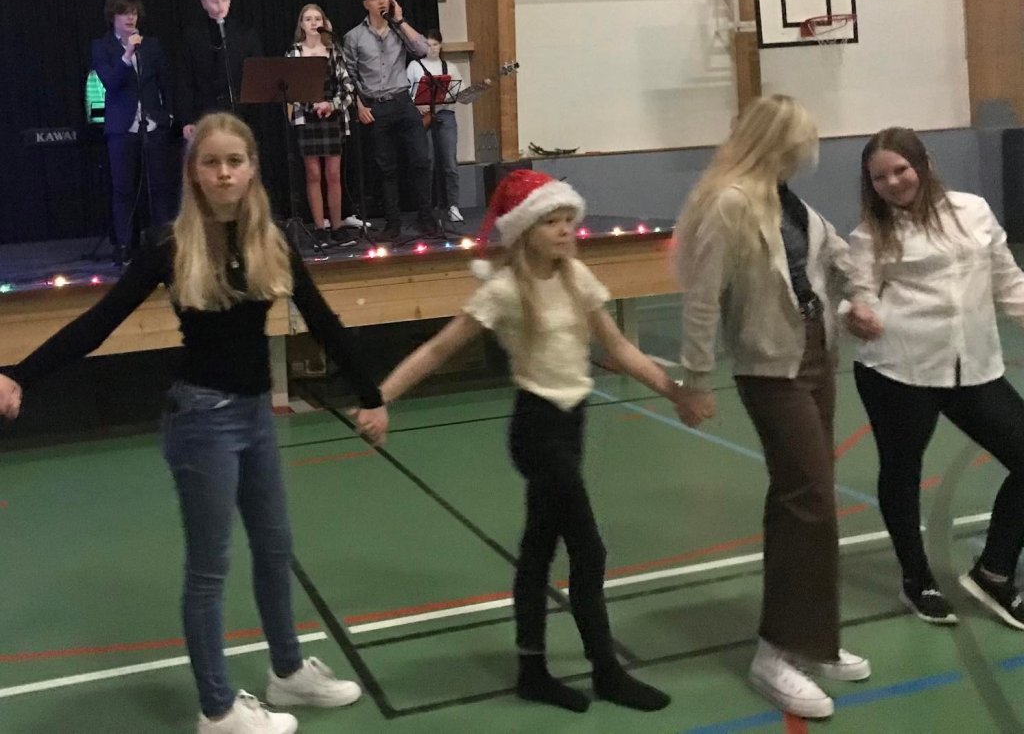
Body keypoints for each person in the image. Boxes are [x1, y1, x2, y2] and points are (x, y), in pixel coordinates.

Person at [0, 112, 388, 734]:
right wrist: (21, 374)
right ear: (195, 174)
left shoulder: (272, 241)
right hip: (202, 421)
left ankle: (288, 671)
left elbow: (321, 319)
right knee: (209, 568)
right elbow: (98, 323)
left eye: (235, 161)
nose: (224, 172)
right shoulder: (171, 245)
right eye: (212, 162)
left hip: (256, 416)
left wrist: (371, 394)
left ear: (252, 168)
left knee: (275, 547)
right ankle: (217, 708)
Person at [368, 169, 673, 714]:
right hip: (537, 429)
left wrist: (675, 391)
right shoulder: (505, 290)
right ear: (525, 230)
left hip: (573, 423)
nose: (565, 230)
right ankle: (606, 670)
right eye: (552, 222)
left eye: (568, 220)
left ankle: (532, 669)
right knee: (589, 548)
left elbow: (619, 348)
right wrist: (381, 397)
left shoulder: (577, 278)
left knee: (539, 548)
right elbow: (439, 349)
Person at [672, 94, 881, 720]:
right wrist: (695, 378)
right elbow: (702, 297)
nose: (806, 153)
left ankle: (814, 640)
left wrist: (859, 299)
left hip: (815, 356)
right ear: (775, 141)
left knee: (808, 498)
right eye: (799, 142)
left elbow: (836, 257)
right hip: (770, 368)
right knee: (808, 498)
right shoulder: (730, 202)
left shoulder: (788, 201)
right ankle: (776, 651)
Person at [848, 126, 1024, 631]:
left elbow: (1008, 281)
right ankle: (917, 579)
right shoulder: (870, 235)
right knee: (902, 473)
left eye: (900, 170)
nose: (892, 183)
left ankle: (993, 573)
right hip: (898, 371)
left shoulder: (973, 211)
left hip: (974, 368)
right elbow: (859, 294)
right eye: (879, 178)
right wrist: (856, 312)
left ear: (922, 163)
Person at [342, 0, 435, 243]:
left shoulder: (398, 29)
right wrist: (359, 104)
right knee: (387, 168)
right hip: (376, 106)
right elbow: (348, 74)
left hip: (402, 102)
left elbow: (422, 49)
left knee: (421, 160)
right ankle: (393, 224)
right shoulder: (354, 36)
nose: (381, 1)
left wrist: (400, 20)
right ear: (365, 4)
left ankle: (427, 218)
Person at [91, 0, 175, 266]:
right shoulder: (101, 47)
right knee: (123, 189)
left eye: (134, 13)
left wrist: (168, 115)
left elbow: (165, 82)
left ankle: (163, 243)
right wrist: (127, 54)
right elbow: (111, 83)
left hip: (152, 124)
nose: (130, 18)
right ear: (112, 17)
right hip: (121, 128)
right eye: (124, 13)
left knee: (159, 187)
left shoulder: (152, 45)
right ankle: (125, 244)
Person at [286, 4, 363, 250]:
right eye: (308, 19)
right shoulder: (294, 54)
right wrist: (313, 106)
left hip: (332, 116)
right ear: (301, 24)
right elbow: (292, 90)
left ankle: (337, 226)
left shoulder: (333, 51)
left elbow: (347, 86)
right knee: (313, 174)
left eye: (317, 19)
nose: (313, 23)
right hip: (307, 118)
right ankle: (320, 228)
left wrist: (331, 105)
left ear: (324, 23)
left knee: (333, 174)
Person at [178, 0, 263, 142]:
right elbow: (184, 80)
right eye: (214, 1)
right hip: (205, 113)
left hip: (241, 114)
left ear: (230, 0)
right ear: (204, 4)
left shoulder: (245, 35)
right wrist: (186, 119)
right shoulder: (193, 36)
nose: (220, 6)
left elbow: (257, 77)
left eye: (224, 0)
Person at [406, 28, 463, 223]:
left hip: (445, 115)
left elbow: (460, 92)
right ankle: (427, 208)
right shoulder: (414, 66)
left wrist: (452, 95)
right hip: (423, 117)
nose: (432, 48)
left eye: (435, 44)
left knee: (450, 162)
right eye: (428, 45)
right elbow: (406, 92)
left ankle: (453, 206)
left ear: (441, 45)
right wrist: (417, 105)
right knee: (427, 162)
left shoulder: (450, 67)